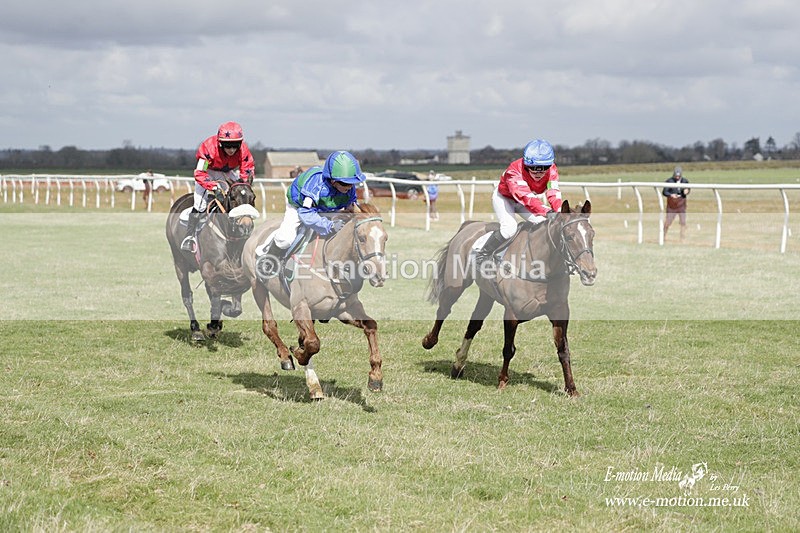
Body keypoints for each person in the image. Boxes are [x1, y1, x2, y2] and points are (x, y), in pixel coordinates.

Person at [255, 151, 366, 276]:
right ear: (333, 181)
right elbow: (306, 214)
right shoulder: (316, 186)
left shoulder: (348, 189)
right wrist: (329, 225)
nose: (349, 187)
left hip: (325, 209)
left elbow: (351, 207)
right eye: (345, 183)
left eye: (352, 183)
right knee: (285, 239)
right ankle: (270, 256)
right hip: (300, 207)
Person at [475, 139, 563, 263]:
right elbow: (526, 197)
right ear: (526, 165)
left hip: (525, 201)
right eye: (534, 167)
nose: (539, 172)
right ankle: (481, 253)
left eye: (544, 168)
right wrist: (547, 211)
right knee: (509, 229)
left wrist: (560, 210)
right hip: (505, 198)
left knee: (544, 224)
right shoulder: (514, 171)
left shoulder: (552, 170)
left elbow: (553, 192)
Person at [180, 121, 256, 252]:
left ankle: (240, 231)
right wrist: (213, 187)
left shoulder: (243, 150)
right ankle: (189, 236)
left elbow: (247, 171)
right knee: (200, 204)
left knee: (241, 197)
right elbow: (200, 173)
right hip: (207, 173)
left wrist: (243, 187)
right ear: (220, 143)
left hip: (225, 174)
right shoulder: (208, 148)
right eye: (228, 146)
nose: (232, 150)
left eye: (235, 146)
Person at [662, 166, 690, 241]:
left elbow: (688, 190)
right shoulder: (669, 181)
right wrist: (671, 195)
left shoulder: (685, 181)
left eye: (679, 176)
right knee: (668, 222)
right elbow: (665, 192)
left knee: (683, 222)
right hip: (672, 206)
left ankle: (682, 238)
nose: (677, 177)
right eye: (676, 176)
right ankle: (663, 236)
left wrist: (686, 191)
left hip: (681, 205)